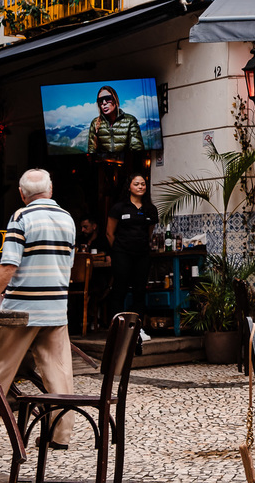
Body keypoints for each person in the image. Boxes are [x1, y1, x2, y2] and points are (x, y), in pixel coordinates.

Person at [0, 169, 76, 446]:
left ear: (22, 194)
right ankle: (60, 435)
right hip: (56, 307)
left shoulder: (21, 217)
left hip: (21, 311)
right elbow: (68, 263)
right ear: (51, 189)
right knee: (59, 372)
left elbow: (9, 264)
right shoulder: (67, 218)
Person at [107, 174, 157, 342]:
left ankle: (137, 329)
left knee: (139, 291)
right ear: (129, 186)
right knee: (119, 289)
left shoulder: (150, 209)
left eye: (143, 184)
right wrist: (119, 250)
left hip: (142, 255)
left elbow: (149, 232)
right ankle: (116, 329)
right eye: (136, 184)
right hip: (122, 254)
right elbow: (109, 233)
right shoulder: (119, 207)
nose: (140, 187)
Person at [87, 85, 144, 153]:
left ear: (115, 99)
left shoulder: (130, 121)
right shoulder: (95, 123)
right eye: (100, 100)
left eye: (108, 98)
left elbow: (137, 148)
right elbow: (91, 151)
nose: (104, 103)